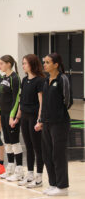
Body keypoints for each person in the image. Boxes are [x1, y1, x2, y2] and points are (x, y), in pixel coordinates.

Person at [35, 53, 72, 196]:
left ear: (56, 64)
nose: (44, 64)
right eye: (44, 62)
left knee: (58, 154)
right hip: (47, 123)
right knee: (47, 154)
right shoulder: (45, 81)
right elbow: (44, 103)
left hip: (60, 123)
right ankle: (53, 184)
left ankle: (62, 187)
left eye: (48, 62)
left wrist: (57, 114)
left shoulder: (63, 79)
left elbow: (68, 101)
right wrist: (41, 120)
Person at [14, 54, 45, 188]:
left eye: (25, 63)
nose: (23, 66)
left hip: (34, 117)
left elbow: (41, 103)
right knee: (28, 146)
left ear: (32, 64)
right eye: (22, 63)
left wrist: (40, 120)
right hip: (25, 117)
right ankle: (30, 174)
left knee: (37, 147)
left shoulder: (40, 81)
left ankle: (39, 177)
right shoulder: (25, 80)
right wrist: (17, 117)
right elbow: (21, 101)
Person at [0, 55, 23, 181]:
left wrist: (12, 116)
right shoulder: (4, 77)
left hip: (12, 114)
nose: (0, 66)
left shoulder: (15, 78)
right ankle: (10, 167)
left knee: (14, 142)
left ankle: (19, 170)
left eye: (2, 64)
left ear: (9, 64)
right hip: (3, 113)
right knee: (7, 141)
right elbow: (1, 98)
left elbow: (16, 99)